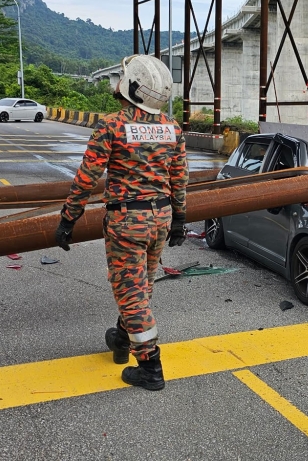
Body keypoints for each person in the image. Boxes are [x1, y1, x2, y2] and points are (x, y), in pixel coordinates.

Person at [55, 54, 187, 391]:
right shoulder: (172, 128)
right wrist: (179, 219)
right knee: (142, 285)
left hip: (127, 221)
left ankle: (150, 367)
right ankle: (121, 339)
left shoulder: (112, 125)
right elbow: (179, 178)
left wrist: (69, 218)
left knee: (130, 293)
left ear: (131, 86)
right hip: (160, 217)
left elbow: (87, 177)